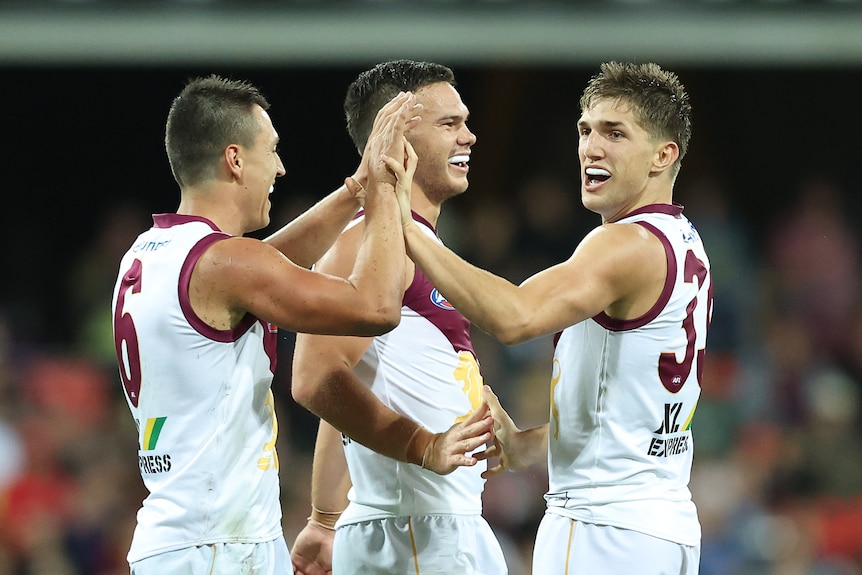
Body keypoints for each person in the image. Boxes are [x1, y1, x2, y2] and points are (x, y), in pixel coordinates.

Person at [395, 62, 712, 574]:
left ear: (663, 155)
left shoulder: (624, 243)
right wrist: (522, 447)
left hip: (602, 530)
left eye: (615, 133)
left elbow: (516, 317)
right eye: (585, 130)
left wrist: (404, 224)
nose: (591, 147)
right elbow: (629, 424)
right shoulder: (686, 242)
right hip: (663, 529)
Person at [111, 74, 418, 575]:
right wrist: (385, 190)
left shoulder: (149, 253)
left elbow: (268, 264)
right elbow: (376, 308)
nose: (279, 167)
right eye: (271, 150)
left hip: (181, 538)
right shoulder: (226, 265)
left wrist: (354, 190)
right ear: (235, 159)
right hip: (219, 548)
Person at [289, 60, 507, 575]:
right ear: (397, 133)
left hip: (427, 525)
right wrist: (422, 444)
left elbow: (347, 390)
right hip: (417, 531)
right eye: (449, 124)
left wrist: (324, 518)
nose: (469, 136)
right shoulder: (364, 245)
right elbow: (317, 377)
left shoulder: (411, 242)